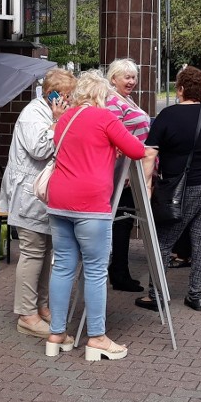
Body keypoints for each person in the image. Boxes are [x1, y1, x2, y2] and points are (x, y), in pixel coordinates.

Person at [44, 70, 146, 361]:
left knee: (63, 266)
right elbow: (136, 150)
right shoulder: (105, 118)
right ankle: (97, 338)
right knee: (96, 270)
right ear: (102, 95)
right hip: (91, 203)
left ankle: (56, 335)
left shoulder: (65, 118)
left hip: (59, 199)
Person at [136, 66, 201, 312]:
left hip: (180, 189)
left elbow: (149, 154)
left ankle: (156, 295)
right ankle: (197, 295)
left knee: (164, 240)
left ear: (181, 89)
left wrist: (147, 187)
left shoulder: (168, 116)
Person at [0, 67, 74, 338]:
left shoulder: (49, 112)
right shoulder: (33, 114)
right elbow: (40, 149)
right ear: (52, 94)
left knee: (46, 250)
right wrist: (57, 121)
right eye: (66, 96)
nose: (69, 101)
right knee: (32, 251)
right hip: (28, 194)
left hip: (43, 195)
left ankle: (41, 307)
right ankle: (26, 314)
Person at [105, 58, 151, 292]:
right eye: (127, 77)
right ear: (114, 79)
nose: (132, 81)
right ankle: (119, 272)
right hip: (122, 172)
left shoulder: (126, 99)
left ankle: (119, 269)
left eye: (133, 77)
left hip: (133, 170)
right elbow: (113, 135)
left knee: (125, 221)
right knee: (121, 223)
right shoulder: (113, 102)